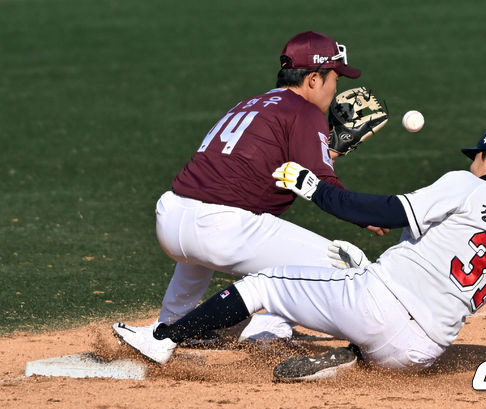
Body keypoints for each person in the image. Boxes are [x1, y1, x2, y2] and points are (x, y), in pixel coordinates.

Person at [114, 126, 486, 381]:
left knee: (264, 284)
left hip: (376, 307)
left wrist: (317, 188)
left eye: (477, 157)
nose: (472, 164)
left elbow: (389, 212)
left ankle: (162, 338)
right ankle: (353, 359)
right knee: (368, 293)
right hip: (421, 352)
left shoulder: (469, 186)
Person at [113, 30, 388, 348]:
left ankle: (173, 322)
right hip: (220, 230)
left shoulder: (252, 104)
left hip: (172, 220)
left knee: (206, 229)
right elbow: (320, 186)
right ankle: (269, 330)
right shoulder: (305, 112)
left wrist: (330, 150)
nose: (336, 87)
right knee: (344, 265)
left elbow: (278, 172)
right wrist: (364, 214)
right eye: (335, 78)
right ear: (313, 79)